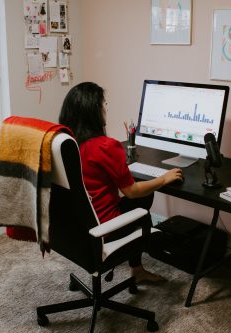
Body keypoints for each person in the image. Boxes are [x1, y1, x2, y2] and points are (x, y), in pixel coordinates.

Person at [59, 82, 183, 284]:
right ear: (94, 111)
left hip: (75, 227)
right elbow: (132, 191)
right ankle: (139, 264)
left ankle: (137, 269)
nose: (106, 108)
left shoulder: (65, 144)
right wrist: (163, 178)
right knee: (143, 201)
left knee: (143, 194)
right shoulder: (105, 147)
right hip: (103, 229)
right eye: (103, 104)